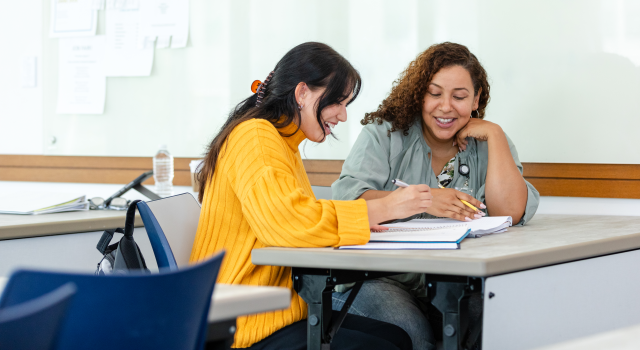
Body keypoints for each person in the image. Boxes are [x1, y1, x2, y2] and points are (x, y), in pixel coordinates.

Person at [190, 42, 431, 350]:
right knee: (390, 344)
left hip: (276, 312)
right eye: (337, 103)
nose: (343, 116)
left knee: (396, 337)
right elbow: (289, 223)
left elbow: (299, 212)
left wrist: (362, 220)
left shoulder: (281, 142)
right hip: (248, 323)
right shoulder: (256, 137)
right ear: (302, 93)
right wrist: (379, 209)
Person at [331, 42, 540, 350]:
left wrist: (495, 134)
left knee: (497, 319)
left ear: (476, 98)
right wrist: (426, 200)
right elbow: (349, 201)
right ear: (420, 94)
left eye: (459, 97)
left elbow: (512, 211)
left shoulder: (489, 141)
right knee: (412, 332)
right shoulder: (384, 132)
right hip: (379, 277)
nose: (445, 106)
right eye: (435, 93)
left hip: (457, 279)